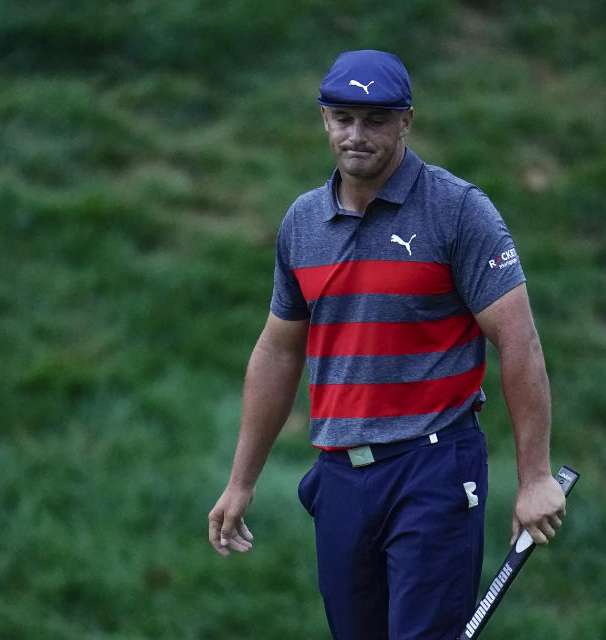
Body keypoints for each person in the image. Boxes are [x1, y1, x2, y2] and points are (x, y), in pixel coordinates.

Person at [208, 49, 567, 640]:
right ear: (324, 118)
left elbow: (519, 343)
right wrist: (242, 480)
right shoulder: (302, 223)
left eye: (374, 120)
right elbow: (278, 352)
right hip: (342, 477)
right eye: (343, 118)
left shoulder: (458, 211)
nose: (356, 135)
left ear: (406, 121)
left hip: (433, 468)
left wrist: (534, 478)